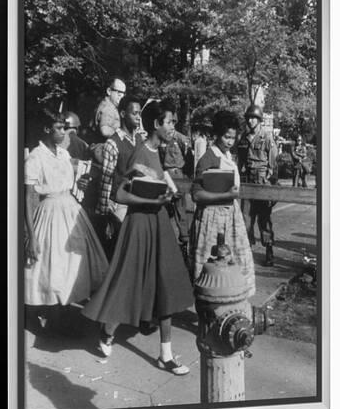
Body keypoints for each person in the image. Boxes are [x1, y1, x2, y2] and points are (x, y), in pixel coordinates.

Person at [82, 100, 194, 376]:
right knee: (127, 282)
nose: (173, 127)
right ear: (156, 124)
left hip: (158, 224)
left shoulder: (160, 152)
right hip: (139, 226)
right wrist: (148, 203)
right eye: (170, 122)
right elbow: (119, 195)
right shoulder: (139, 153)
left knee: (165, 284)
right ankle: (108, 329)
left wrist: (164, 198)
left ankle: (165, 355)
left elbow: (155, 188)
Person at [24, 111, 108, 325]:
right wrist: (31, 237)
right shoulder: (36, 157)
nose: (64, 132)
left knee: (73, 263)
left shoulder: (62, 154)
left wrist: (79, 183)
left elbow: (69, 178)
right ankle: (51, 317)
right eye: (59, 128)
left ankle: (65, 314)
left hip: (71, 210)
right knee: (53, 265)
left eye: (64, 127)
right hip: (50, 212)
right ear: (46, 130)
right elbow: (29, 198)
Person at [190, 110, 255, 296]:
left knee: (232, 264)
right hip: (212, 218)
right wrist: (224, 195)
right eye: (226, 137)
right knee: (212, 267)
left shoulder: (228, 156)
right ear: (217, 134)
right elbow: (196, 194)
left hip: (230, 216)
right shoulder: (209, 158)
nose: (230, 141)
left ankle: (233, 302)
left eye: (233, 138)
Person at [95, 95, 143, 258]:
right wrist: (105, 216)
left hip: (140, 203)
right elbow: (106, 182)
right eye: (134, 113)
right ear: (122, 114)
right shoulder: (112, 144)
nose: (138, 117)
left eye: (139, 113)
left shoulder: (140, 140)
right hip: (119, 207)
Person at [237, 104, 278, 266]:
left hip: (262, 181)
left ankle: (269, 250)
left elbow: (273, 161)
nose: (251, 120)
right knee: (246, 218)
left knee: (264, 218)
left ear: (259, 120)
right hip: (247, 180)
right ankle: (248, 251)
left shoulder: (266, 137)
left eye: (254, 118)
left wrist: (270, 178)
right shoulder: (243, 137)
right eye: (249, 118)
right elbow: (239, 159)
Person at [158, 115, 194, 263]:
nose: (171, 125)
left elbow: (189, 159)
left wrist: (186, 177)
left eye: (173, 122)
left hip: (178, 174)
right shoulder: (162, 137)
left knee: (180, 209)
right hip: (165, 174)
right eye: (169, 122)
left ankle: (184, 241)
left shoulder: (181, 139)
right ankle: (167, 242)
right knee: (165, 208)